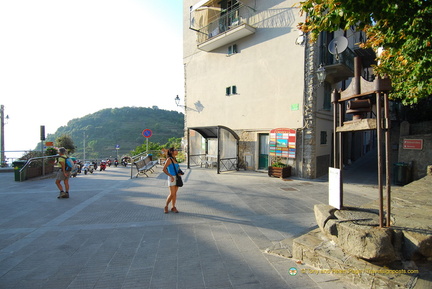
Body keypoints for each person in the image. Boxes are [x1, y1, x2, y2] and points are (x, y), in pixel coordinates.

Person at [162, 147, 184, 213]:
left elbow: (177, 168)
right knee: (172, 194)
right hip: (171, 178)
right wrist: (170, 176)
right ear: (171, 152)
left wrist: (179, 172)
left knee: (175, 194)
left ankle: (173, 207)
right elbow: (164, 169)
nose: (177, 151)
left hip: (177, 177)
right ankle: (166, 206)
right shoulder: (169, 159)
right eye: (175, 150)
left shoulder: (175, 159)